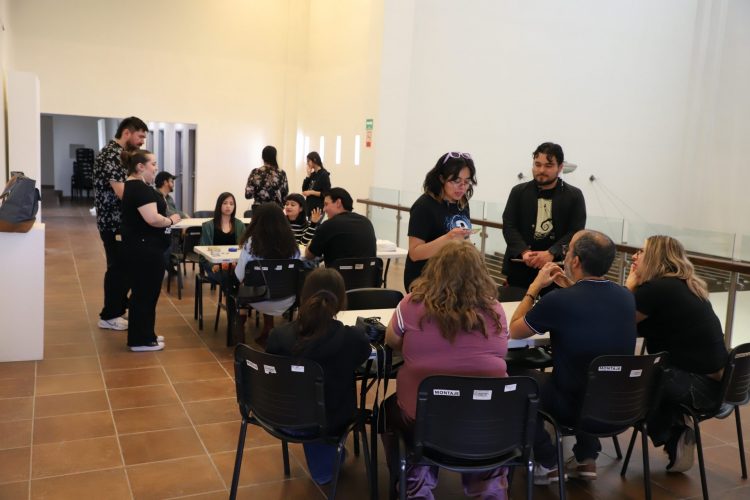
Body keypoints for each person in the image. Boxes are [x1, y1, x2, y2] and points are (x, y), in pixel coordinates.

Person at [382, 240, 509, 499]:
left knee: (387, 411)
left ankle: (413, 480)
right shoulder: (495, 309)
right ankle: (487, 486)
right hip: (486, 417)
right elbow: (502, 350)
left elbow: (391, 341)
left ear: (435, 269)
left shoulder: (410, 304)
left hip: (423, 416)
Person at [509, 230, 636, 484]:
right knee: (590, 375)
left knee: (514, 380)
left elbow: (514, 330)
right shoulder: (625, 296)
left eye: (568, 251)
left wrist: (534, 288)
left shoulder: (558, 301)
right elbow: (590, 310)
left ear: (576, 261)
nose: (564, 255)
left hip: (571, 405)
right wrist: (570, 287)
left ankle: (547, 461)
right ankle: (586, 457)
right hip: (616, 403)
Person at [625, 235, 728, 473]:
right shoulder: (684, 284)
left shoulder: (656, 289)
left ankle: (674, 433)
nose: (634, 255)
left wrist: (630, 286)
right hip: (721, 385)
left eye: (641, 251)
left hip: (697, 387)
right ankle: (677, 431)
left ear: (654, 256)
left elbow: (617, 320)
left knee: (632, 383)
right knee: (654, 375)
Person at [266, 268, 371, 485]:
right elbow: (362, 357)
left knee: (308, 398)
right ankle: (326, 464)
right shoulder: (352, 339)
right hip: (331, 421)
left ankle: (326, 461)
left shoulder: (279, 336)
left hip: (284, 418)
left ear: (304, 295)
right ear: (341, 300)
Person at [502, 142, 586, 292]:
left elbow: (576, 231)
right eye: (537, 164)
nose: (541, 170)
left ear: (560, 167)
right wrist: (524, 252)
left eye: (548, 165)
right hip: (519, 268)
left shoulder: (574, 195)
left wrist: (552, 252)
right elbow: (509, 225)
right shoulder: (518, 192)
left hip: (556, 272)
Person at [120, 149, 181, 352]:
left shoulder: (135, 187)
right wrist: (171, 220)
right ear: (140, 167)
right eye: (153, 164)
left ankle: (147, 334)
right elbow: (153, 219)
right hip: (145, 250)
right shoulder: (139, 189)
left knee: (146, 293)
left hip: (143, 248)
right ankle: (140, 340)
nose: (156, 168)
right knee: (144, 294)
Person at [93, 116, 148, 331]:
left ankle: (116, 310)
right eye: (140, 136)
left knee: (124, 268)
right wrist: (147, 201)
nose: (142, 141)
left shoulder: (121, 155)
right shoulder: (111, 155)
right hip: (113, 223)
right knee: (117, 269)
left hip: (120, 222)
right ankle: (109, 315)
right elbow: (123, 192)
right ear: (127, 133)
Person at [403, 152, 476, 291]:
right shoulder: (424, 206)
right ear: (441, 178)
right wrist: (448, 238)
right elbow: (415, 253)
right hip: (425, 280)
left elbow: (463, 239)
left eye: (467, 182)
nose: (462, 187)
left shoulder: (462, 203)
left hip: (453, 278)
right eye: (456, 181)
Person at [234, 202, 300, 344]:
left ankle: (239, 329)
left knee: (235, 285)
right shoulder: (292, 244)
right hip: (287, 299)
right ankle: (268, 327)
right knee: (272, 281)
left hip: (257, 299)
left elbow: (239, 276)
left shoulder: (251, 243)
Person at [305, 187, 376, 267]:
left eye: (326, 204)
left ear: (338, 203)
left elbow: (309, 255)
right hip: (368, 274)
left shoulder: (329, 225)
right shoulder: (366, 222)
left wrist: (310, 242)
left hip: (337, 274)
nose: (324, 209)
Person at [199, 192, 246, 284]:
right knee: (228, 277)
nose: (228, 206)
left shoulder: (240, 225)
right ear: (219, 205)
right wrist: (213, 265)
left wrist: (236, 263)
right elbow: (202, 254)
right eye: (225, 203)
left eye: (231, 204)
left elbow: (244, 249)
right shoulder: (208, 226)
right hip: (215, 266)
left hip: (234, 265)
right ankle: (232, 293)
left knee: (243, 276)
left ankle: (234, 292)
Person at [301, 151, 331, 216]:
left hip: (318, 208)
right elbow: (304, 190)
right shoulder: (312, 174)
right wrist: (308, 175)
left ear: (314, 160)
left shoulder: (324, 174)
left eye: (308, 161)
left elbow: (326, 193)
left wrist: (312, 192)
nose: (307, 163)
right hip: (309, 206)